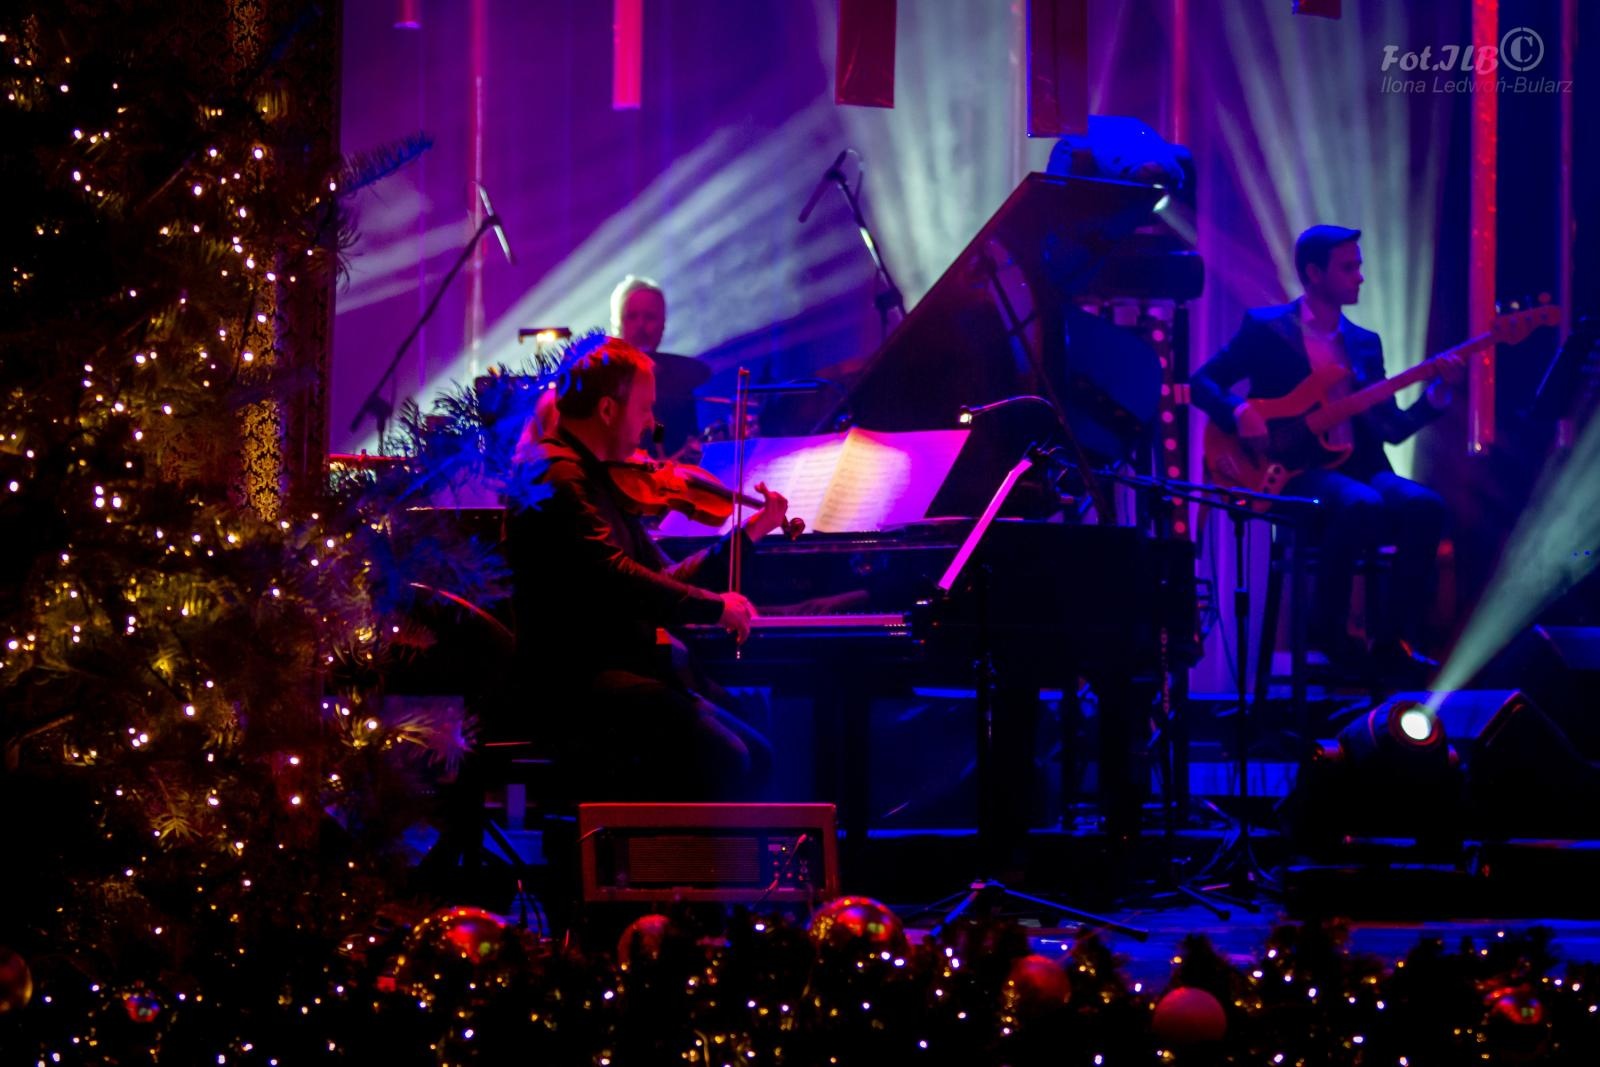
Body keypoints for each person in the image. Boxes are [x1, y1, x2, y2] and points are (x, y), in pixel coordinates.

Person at [506, 334, 789, 801]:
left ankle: (705, 869)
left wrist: (750, 534)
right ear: (607, 411)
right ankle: (658, 869)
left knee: (757, 755)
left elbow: (664, 579)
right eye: (644, 409)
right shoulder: (554, 474)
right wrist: (715, 607)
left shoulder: (596, 476)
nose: (652, 425)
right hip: (576, 681)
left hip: (621, 668)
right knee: (728, 759)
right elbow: (613, 577)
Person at [1189, 225, 1465, 679]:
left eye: (1359, 266)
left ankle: (1390, 639)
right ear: (1314, 274)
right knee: (1360, 503)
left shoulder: (1363, 344)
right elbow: (1204, 382)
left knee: (1425, 506)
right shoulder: (1266, 328)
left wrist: (1435, 395)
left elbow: (1391, 429)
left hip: (1361, 466)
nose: (1360, 277)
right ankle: (1328, 628)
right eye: (1349, 267)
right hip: (1295, 471)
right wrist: (1238, 410)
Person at [609, 275, 712, 459]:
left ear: (663, 324)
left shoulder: (675, 382)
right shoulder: (602, 378)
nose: (641, 325)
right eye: (632, 316)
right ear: (617, 323)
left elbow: (663, 431)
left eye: (650, 317)